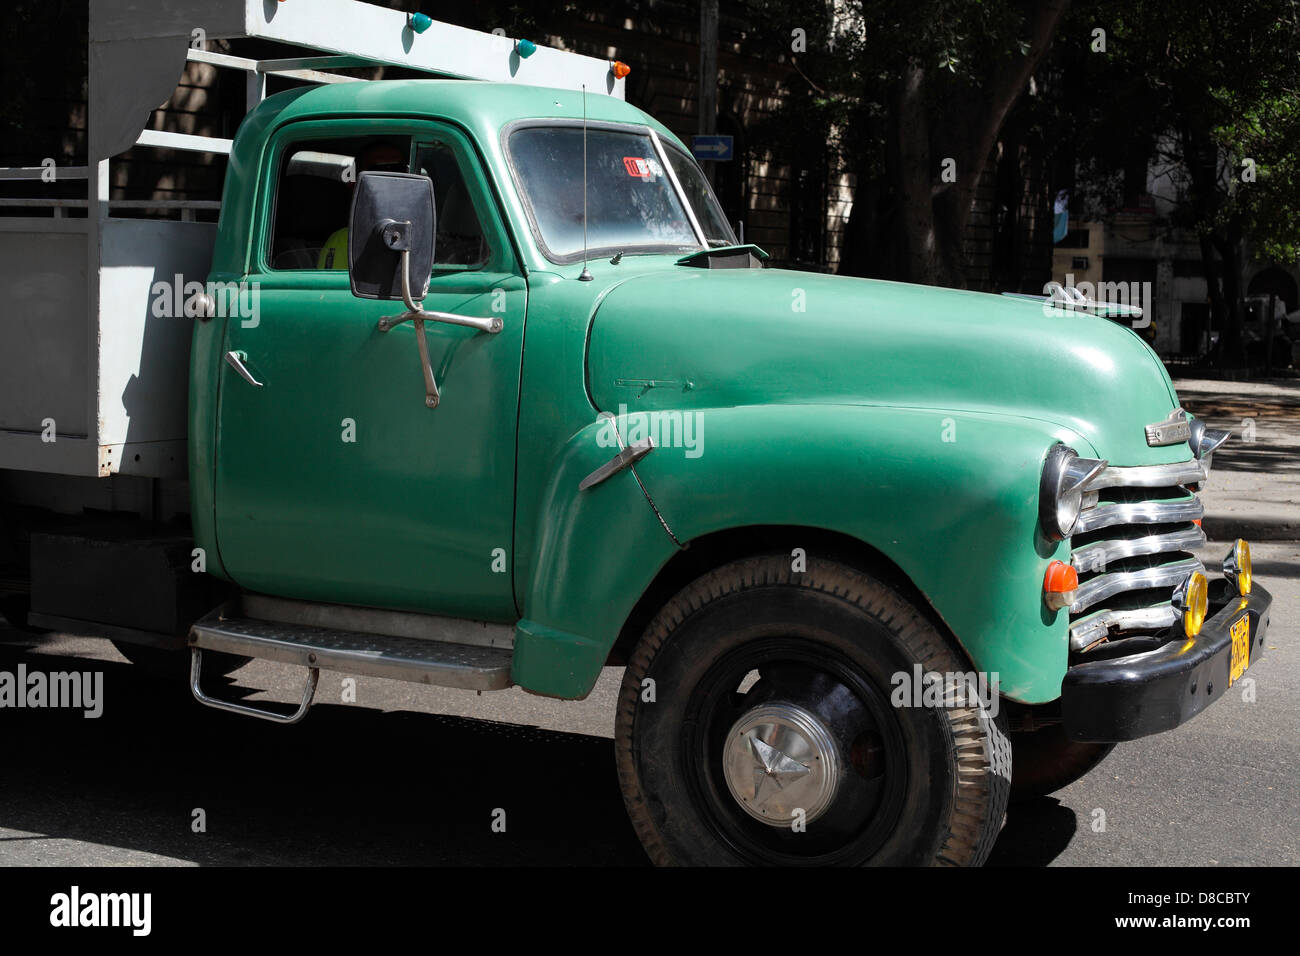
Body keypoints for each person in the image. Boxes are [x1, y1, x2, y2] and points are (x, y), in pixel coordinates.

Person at [318, 141, 408, 269]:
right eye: (379, 170)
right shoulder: (345, 240)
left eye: (398, 169)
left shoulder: (420, 234)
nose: (390, 178)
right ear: (357, 183)